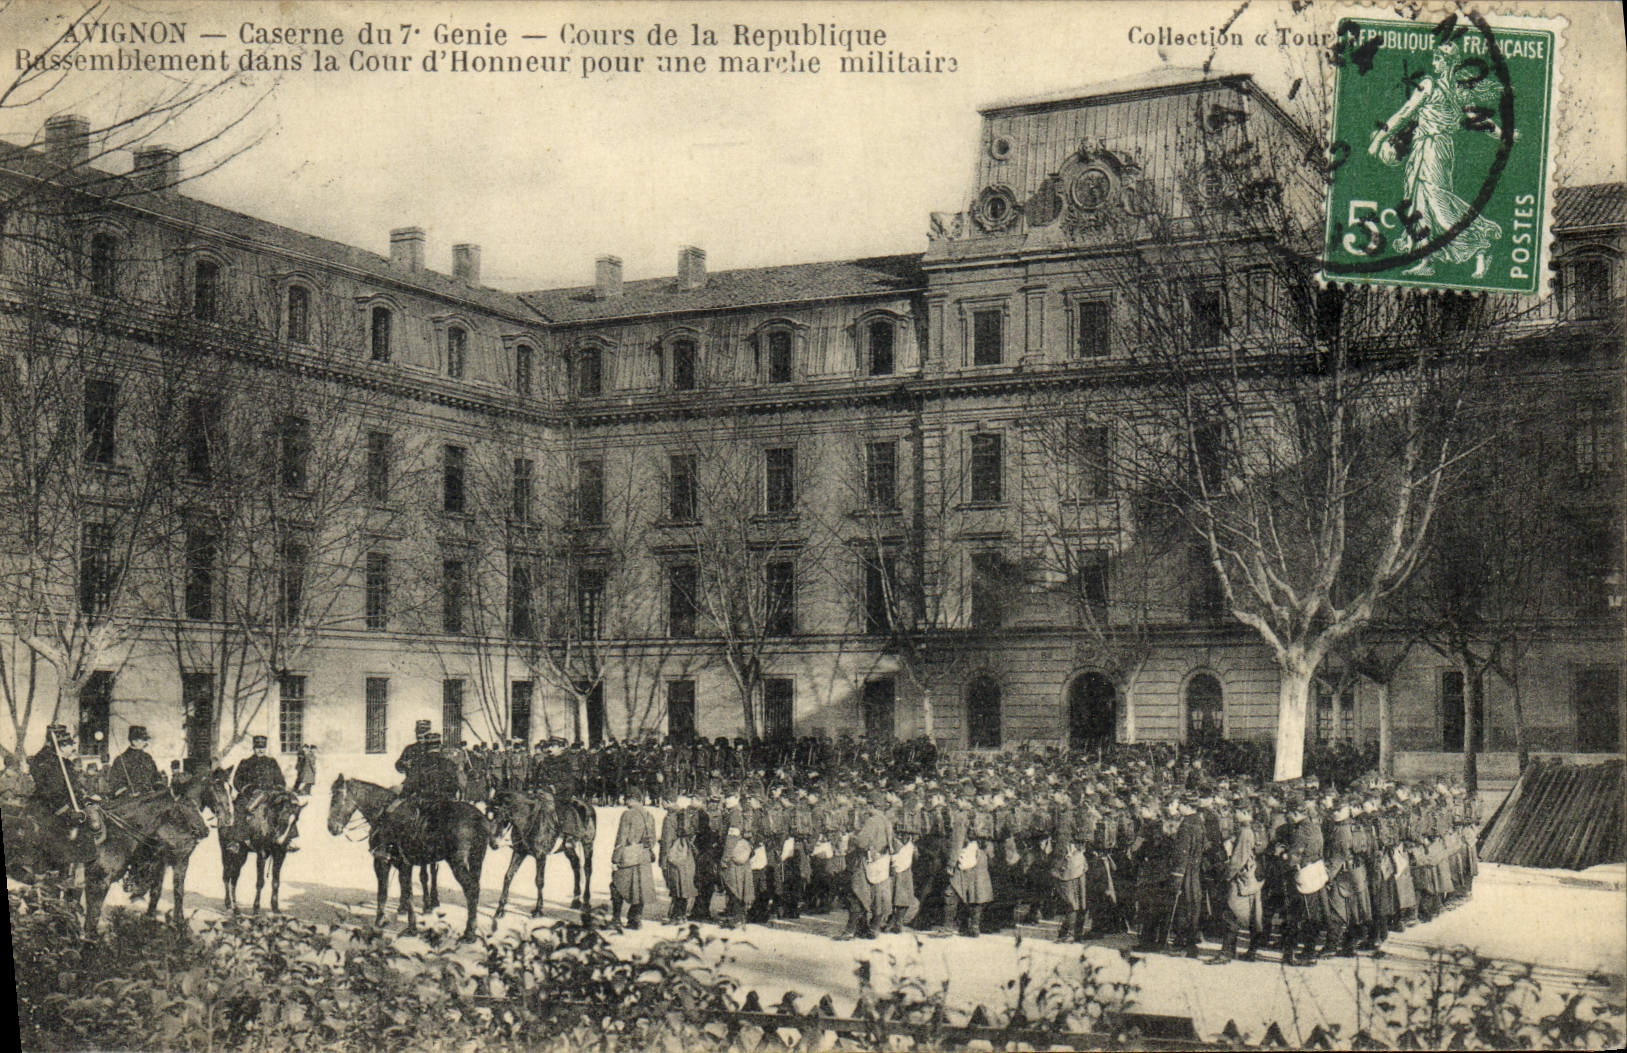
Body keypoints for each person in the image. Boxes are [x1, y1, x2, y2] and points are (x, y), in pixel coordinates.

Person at [1367, 39, 1507, 279]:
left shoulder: (1436, 87)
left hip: (1436, 149)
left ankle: (1481, 247)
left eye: (1437, 59)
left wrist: (1378, 140)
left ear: (1447, 62)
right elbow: (1407, 113)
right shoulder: (1453, 90)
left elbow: (1405, 113)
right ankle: (1426, 260)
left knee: (1438, 202)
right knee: (1419, 202)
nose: (1433, 63)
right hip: (1424, 148)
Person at [233, 735, 299, 852]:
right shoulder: (245, 762)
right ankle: (237, 841)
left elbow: (280, 780)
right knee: (240, 805)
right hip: (251, 794)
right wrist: (248, 789)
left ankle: (288, 839)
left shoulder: (272, 762)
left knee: (287, 806)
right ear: (254, 748)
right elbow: (237, 780)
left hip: (271, 794)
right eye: (258, 747)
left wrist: (278, 788)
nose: (260, 750)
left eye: (262, 747)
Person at [609, 797, 658, 930]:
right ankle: (635, 919)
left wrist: (615, 859)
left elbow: (621, 838)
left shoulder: (627, 814)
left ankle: (616, 919)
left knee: (616, 885)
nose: (625, 802)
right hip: (644, 857)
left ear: (632, 799)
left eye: (626, 799)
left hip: (629, 856)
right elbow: (652, 840)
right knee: (640, 888)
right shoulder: (649, 815)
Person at [104, 725, 166, 799]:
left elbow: (156, 776)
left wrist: (159, 788)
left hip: (150, 798)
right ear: (134, 741)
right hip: (130, 801)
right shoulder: (121, 760)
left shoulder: (148, 757)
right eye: (143, 740)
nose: (145, 742)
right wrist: (127, 793)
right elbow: (115, 783)